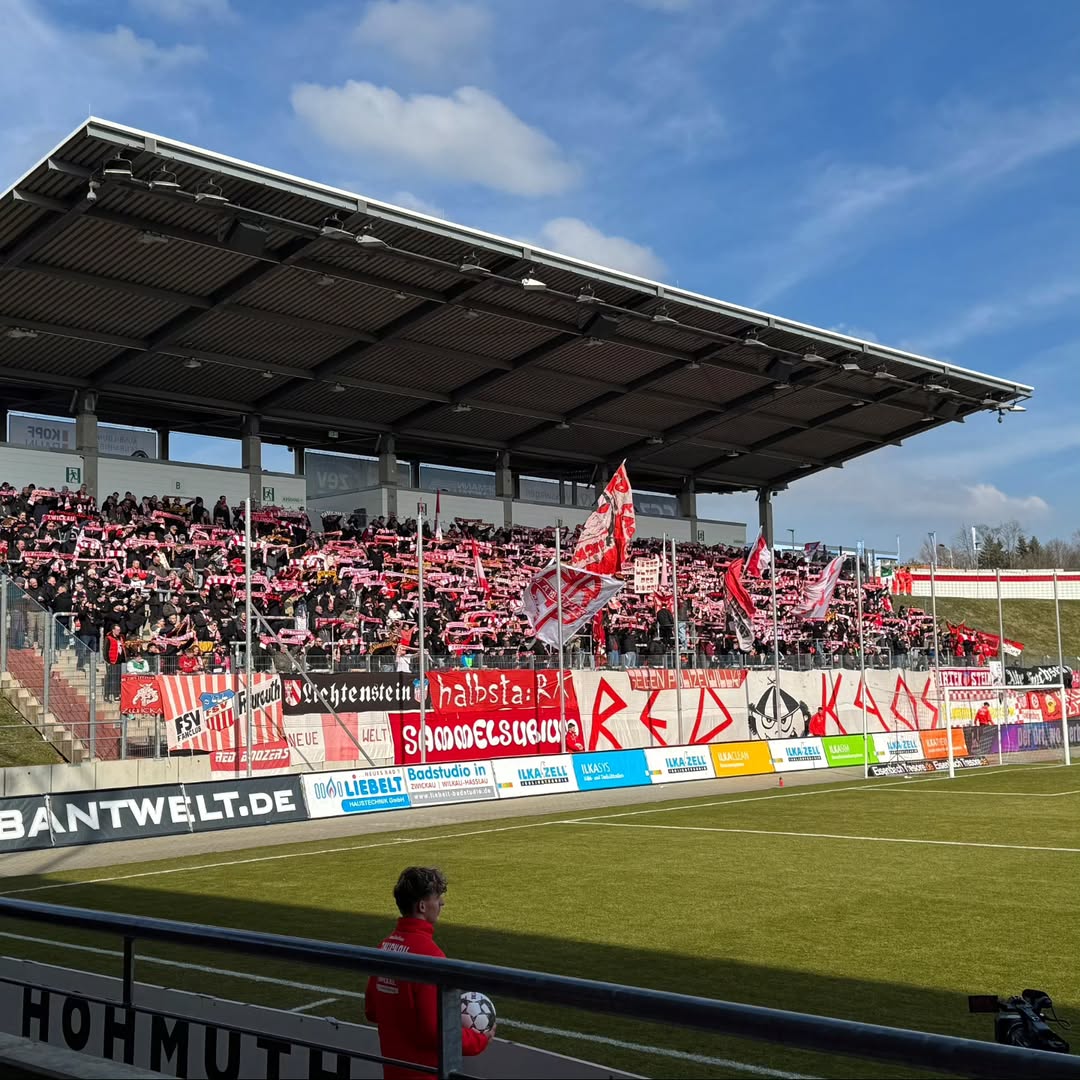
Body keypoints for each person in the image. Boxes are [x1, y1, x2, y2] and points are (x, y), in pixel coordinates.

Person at [365, 868, 492, 1080]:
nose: (442, 903)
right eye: (437, 897)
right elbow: (434, 1031)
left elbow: (371, 1011)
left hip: (393, 1070)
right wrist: (479, 1040)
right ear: (422, 906)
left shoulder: (385, 946)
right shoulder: (430, 955)